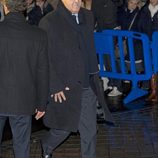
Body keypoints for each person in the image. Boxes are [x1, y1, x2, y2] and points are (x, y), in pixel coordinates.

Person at [39, 0, 113, 157]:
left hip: (88, 84)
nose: (77, 1)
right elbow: (45, 58)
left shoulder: (88, 15)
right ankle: (47, 145)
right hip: (65, 87)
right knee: (64, 128)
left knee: (89, 131)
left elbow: (88, 47)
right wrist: (55, 85)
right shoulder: (49, 21)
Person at [0, 0, 49, 157]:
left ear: (5, 7)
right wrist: (42, 103)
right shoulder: (38, 35)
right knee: (22, 148)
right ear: (25, 7)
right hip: (23, 100)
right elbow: (42, 71)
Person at [91, 0, 123, 97]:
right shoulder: (98, 2)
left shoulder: (110, 2)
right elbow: (94, 16)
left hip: (109, 32)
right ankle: (112, 83)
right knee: (106, 59)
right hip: (103, 32)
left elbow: (109, 18)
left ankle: (117, 85)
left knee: (110, 59)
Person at [137, 0, 158, 102]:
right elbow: (139, 26)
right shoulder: (144, 9)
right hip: (148, 43)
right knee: (150, 66)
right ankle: (153, 91)